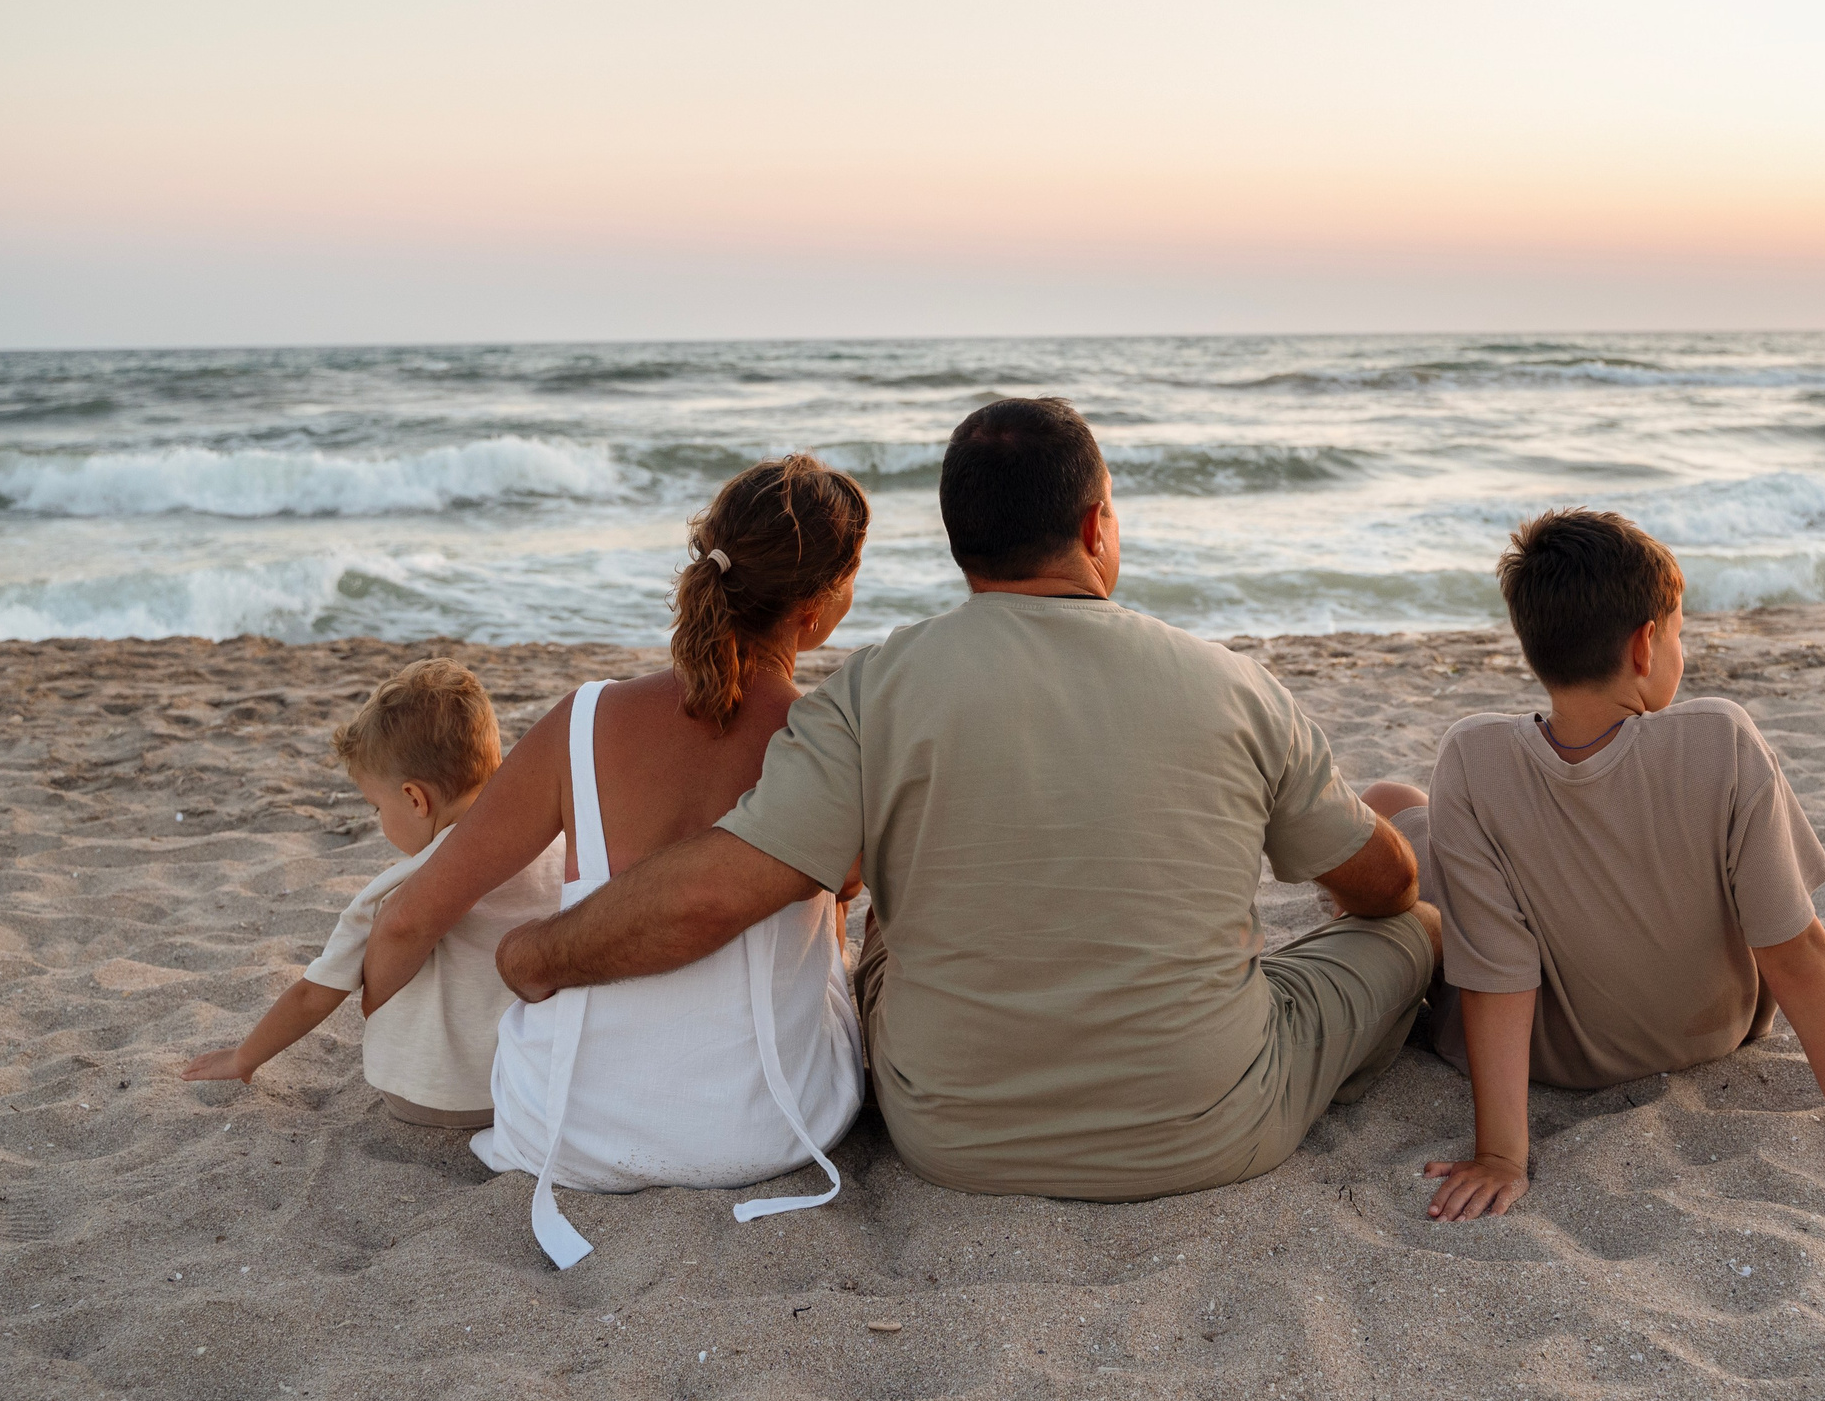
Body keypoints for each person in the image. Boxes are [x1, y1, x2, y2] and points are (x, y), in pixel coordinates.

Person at [492, 397, 1440, 1201]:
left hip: (949, 1137)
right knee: (1412, 931)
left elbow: (714, 890)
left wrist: (540, 951)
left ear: (959, 545)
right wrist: (1386, 884)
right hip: (1205, 1128)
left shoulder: (875, 687)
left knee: (884, 923)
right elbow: (1378, 883)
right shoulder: (1235, 685)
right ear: (1096, 525)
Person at [1413, 508, 1825, 1222]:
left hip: (1557, 1059)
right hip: (1720, 1031)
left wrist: (1502, 1153)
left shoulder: (1471, 758)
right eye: (1681, 632)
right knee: (1406, 809)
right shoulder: (1720, 739)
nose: (1681, 650)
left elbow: (1498, 970)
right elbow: (1794, 945)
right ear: (1644, 645)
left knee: (1392, 807)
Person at [362, 456, 870, 1266]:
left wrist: (380, 1034)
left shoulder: (583, 719)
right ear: (819, 607)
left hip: (566, 1132)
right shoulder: (823, 742)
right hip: (778, 1128)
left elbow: (418, 914)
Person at [180, 658, 559, 1126]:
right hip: (536, 1089)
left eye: (377, 807)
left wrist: (243, 1058)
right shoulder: (559, 851)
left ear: (414, 799)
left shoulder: (398, 888)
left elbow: (313, 995)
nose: (379, 820)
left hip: (432, 1098)